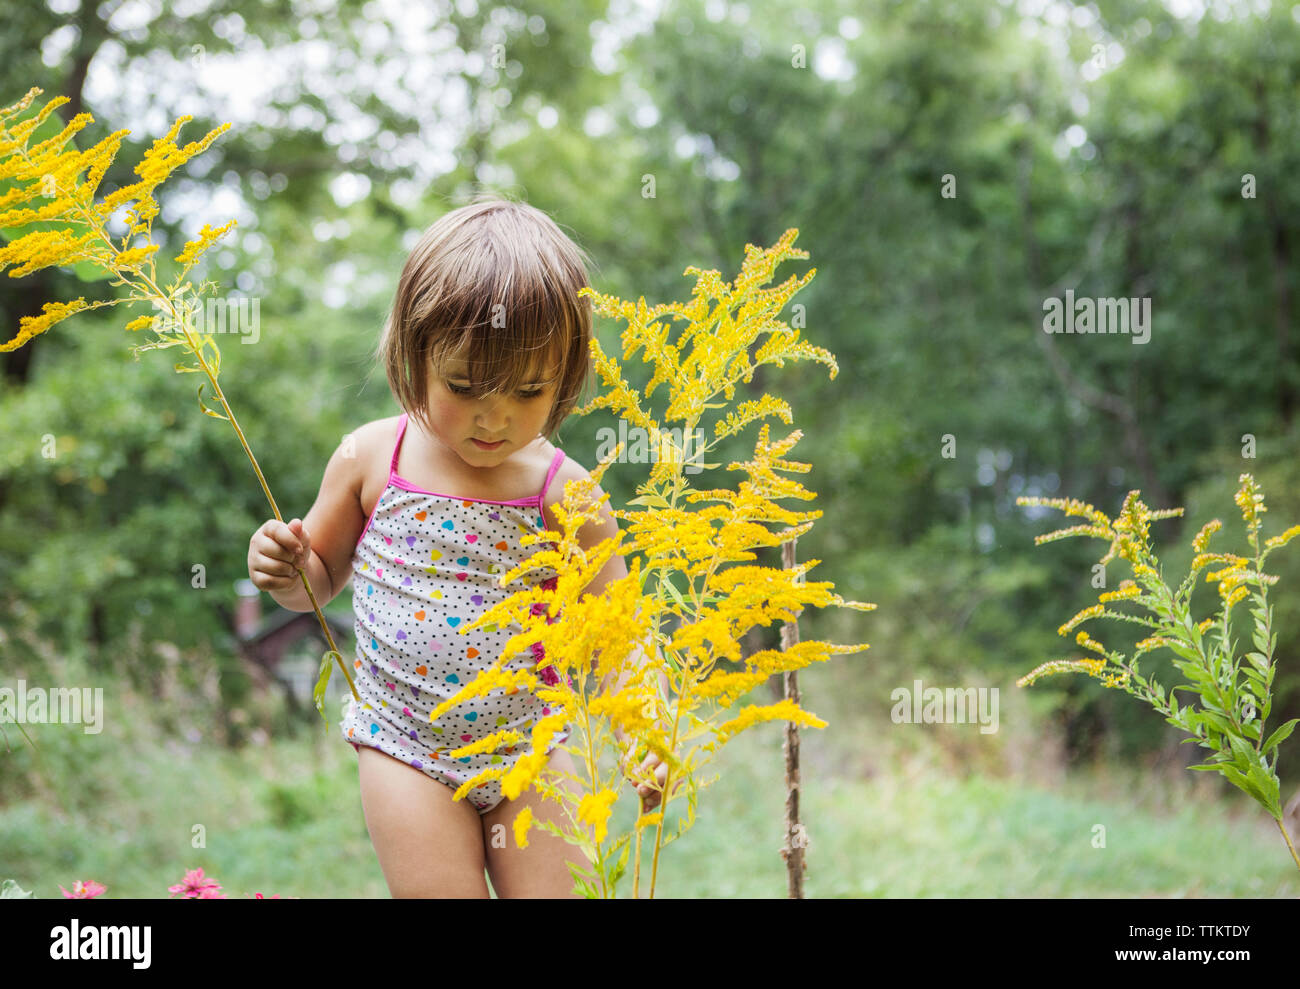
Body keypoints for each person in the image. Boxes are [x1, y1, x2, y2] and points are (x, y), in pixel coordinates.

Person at [246, 195, 667, 897]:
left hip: (535, 748)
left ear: (567, 376)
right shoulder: (372, 456)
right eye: (465, 385)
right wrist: (283, 567)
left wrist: (641, 730)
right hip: (406, 745)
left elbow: (617, 634)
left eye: (528, 390)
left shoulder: (570, 494)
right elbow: (317, 580)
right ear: (416, 353)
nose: (493, 417)